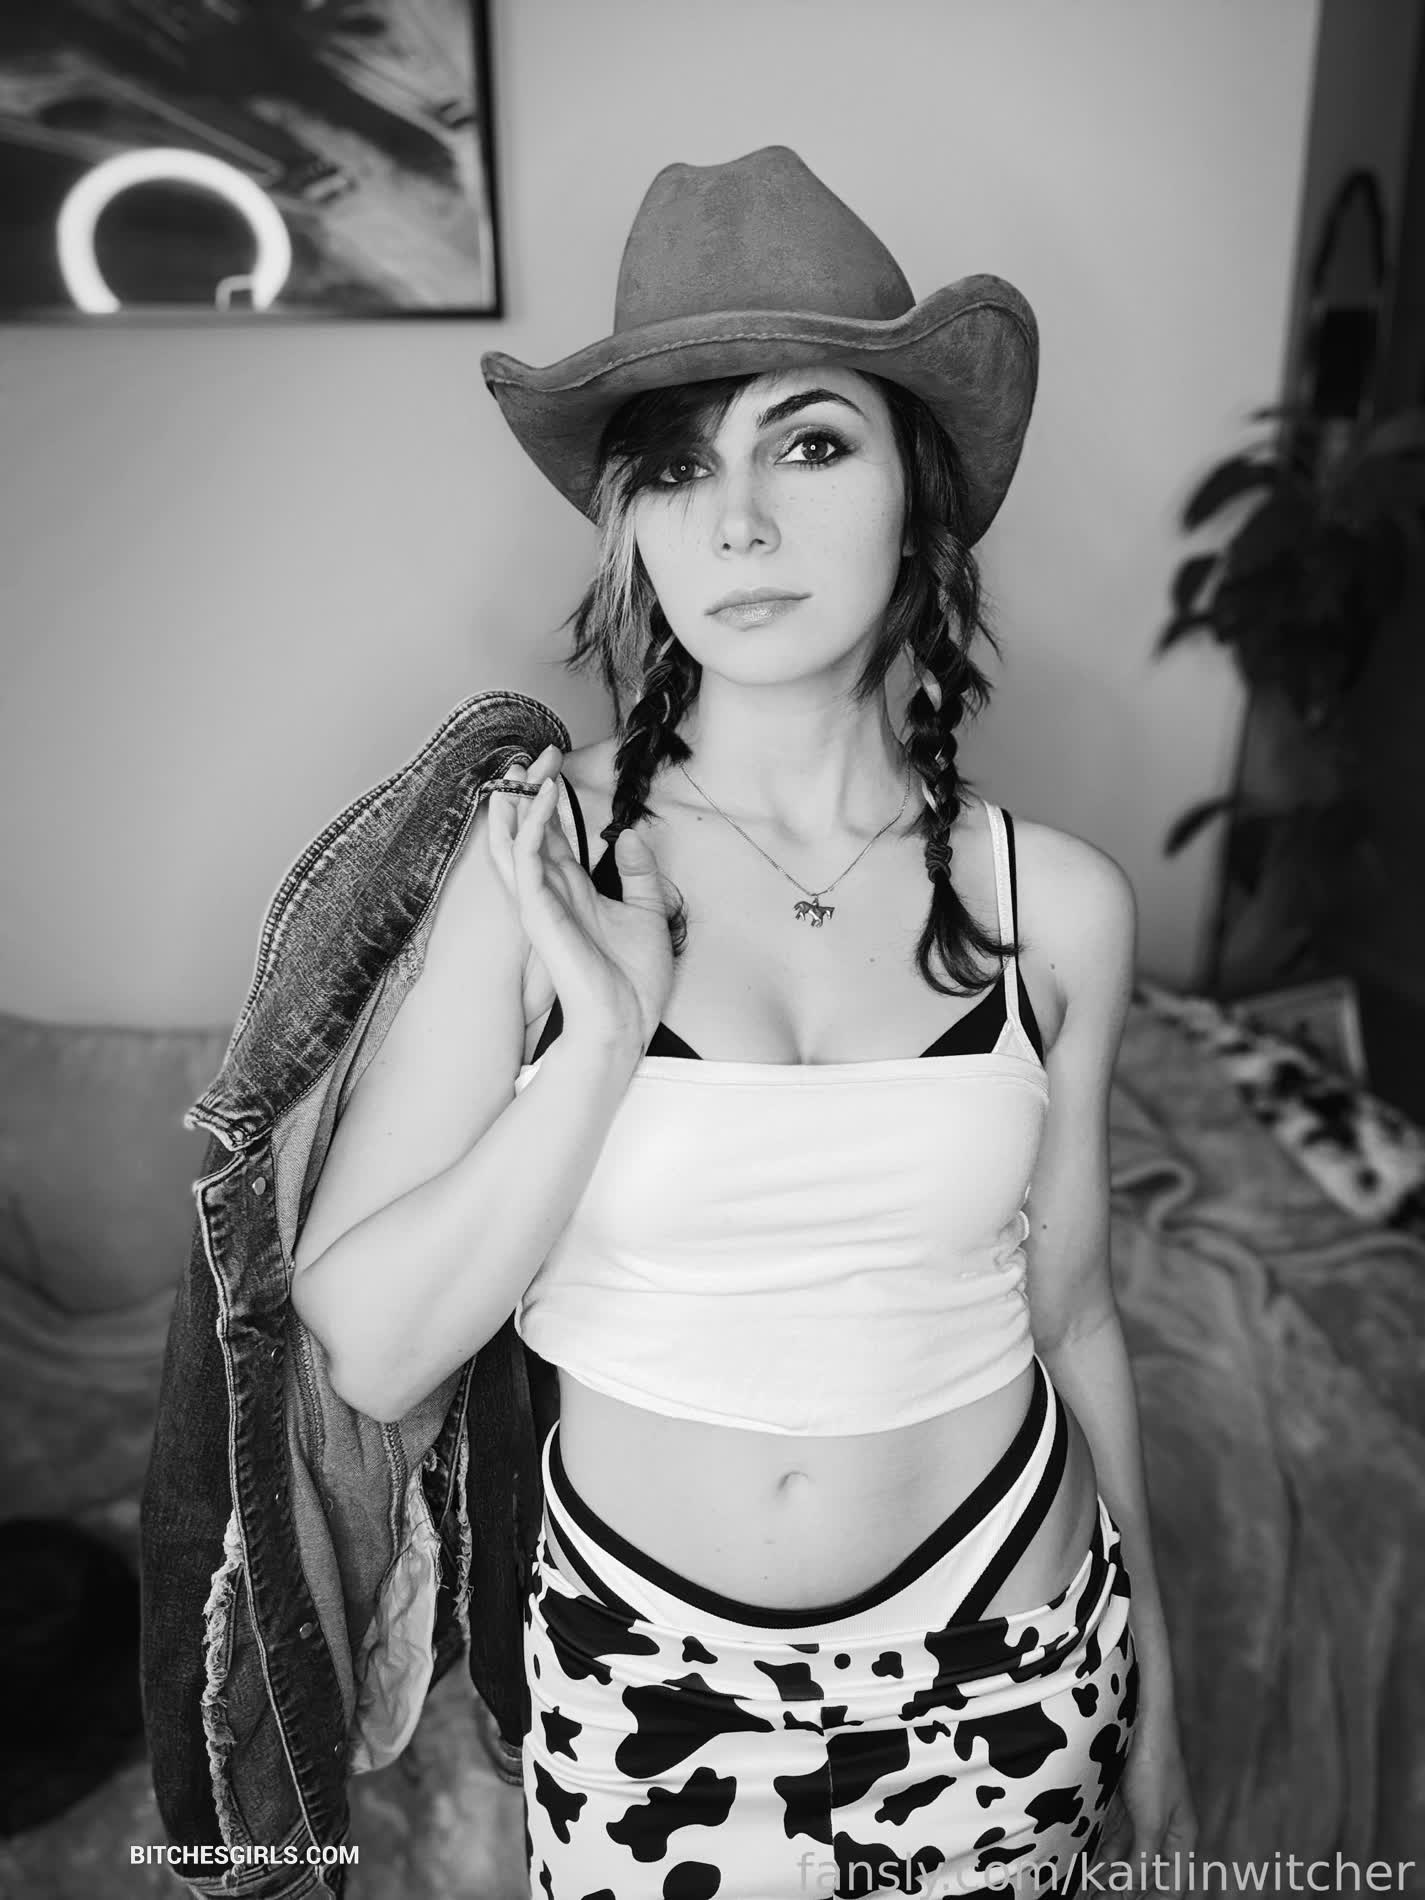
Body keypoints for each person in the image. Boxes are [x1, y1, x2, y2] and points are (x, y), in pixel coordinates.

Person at [290, 147, 1196, 1897]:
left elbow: (1075, 1310)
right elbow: (375, 1355)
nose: (739, 523)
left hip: (1009, 1664)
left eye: (810, 443)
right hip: (646, 1687)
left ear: (919, 495)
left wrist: (1153, 1685)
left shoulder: (1057, 904)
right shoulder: (537, 860)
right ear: (630, 526)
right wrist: (599, 1044)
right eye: (676, 467)